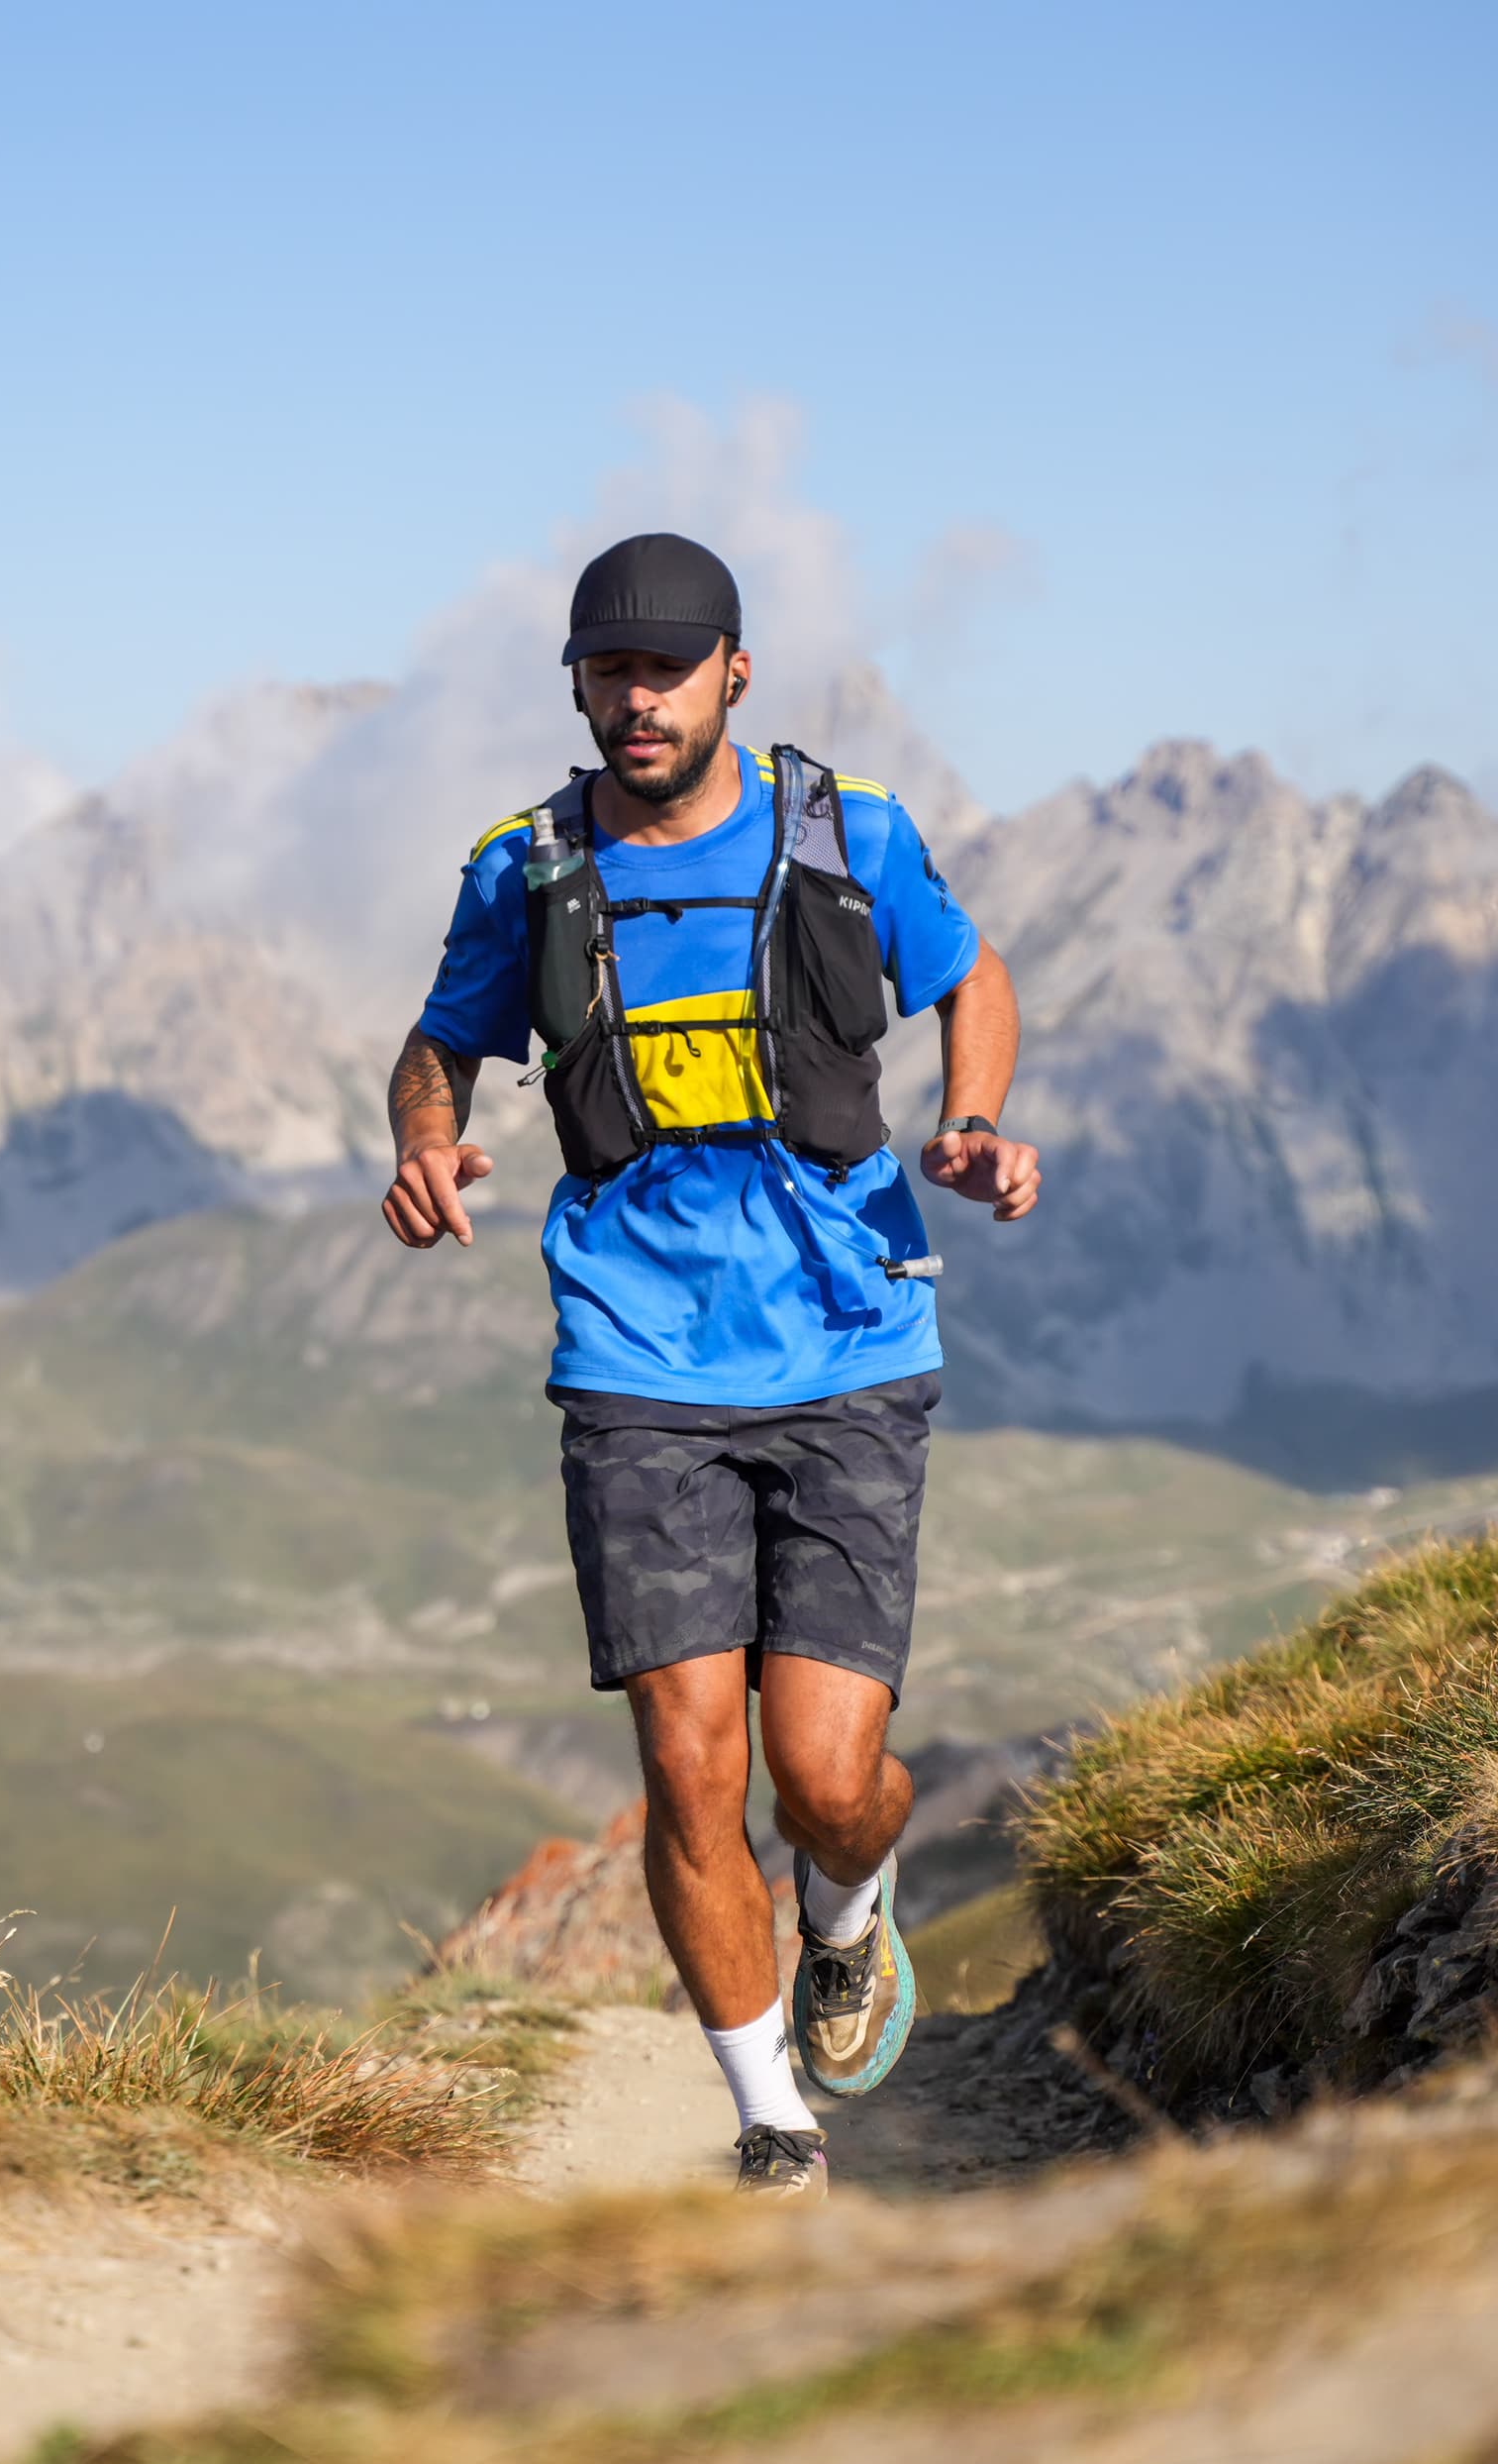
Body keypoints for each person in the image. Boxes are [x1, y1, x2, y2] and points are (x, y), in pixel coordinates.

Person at [381, 531, 1041, 2200]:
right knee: (689, 1763)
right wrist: (429, 1144)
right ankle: (771, 2118)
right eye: (609, 672)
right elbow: (440, 1044)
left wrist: (972, 1120)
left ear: (734, 672)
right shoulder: (525, 871)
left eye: (667, 669)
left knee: (827, 1782)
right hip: (635, 1355)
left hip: (846, 1343)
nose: (638, 698)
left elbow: (971, 976)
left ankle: (846, 1909)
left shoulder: (849, 833)